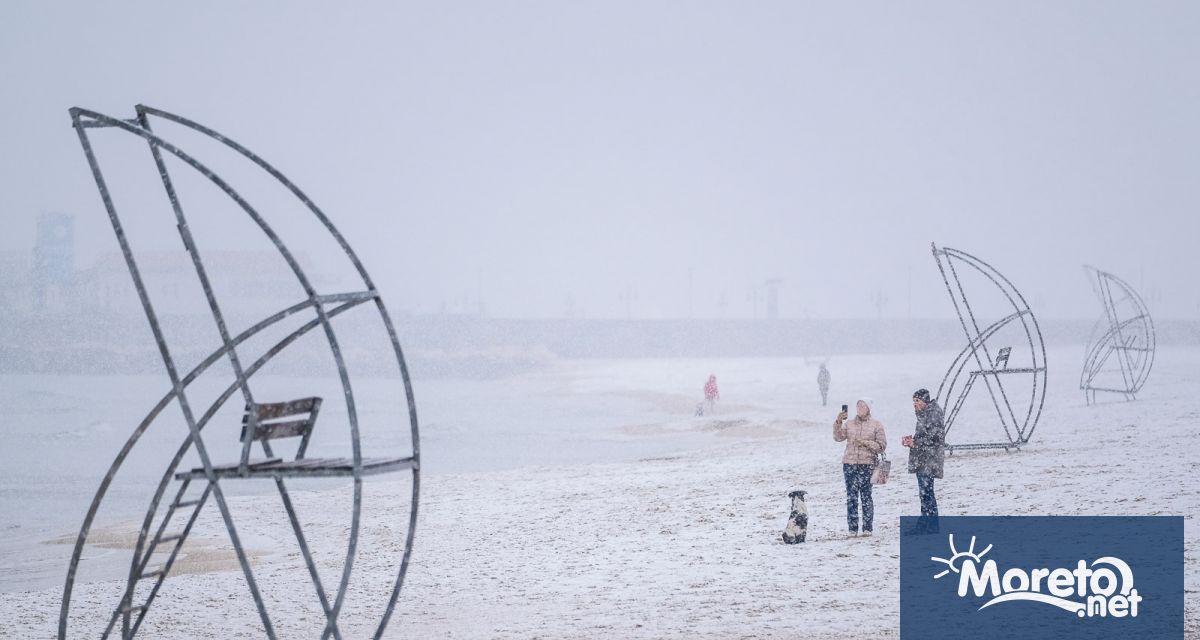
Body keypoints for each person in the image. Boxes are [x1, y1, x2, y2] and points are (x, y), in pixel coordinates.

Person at [832, 398, 887, 537]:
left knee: (866, 496)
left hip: (867, 465)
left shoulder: (876, 425)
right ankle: (852, 528)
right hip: (849, 464)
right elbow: (838, 437)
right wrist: (838, 422)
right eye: (857, 406)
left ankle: (867, 528)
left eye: (862, 406)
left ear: (868, 408)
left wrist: (865, 443)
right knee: (851, 497)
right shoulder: (849, 424)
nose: (859, 408)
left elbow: (881, 446)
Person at [902, 388, 945, 534]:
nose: (914, 404)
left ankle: (929, 525)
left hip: (929, 460)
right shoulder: (924, 414)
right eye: (913, 401)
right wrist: (912, 442)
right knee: (925, 493)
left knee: (927, 493)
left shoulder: (933, 414)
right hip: (924, 460)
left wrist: (915, 443)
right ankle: (927, 524)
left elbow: (933, 438)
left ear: (924, 401)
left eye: (917, 401)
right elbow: (926, 436)